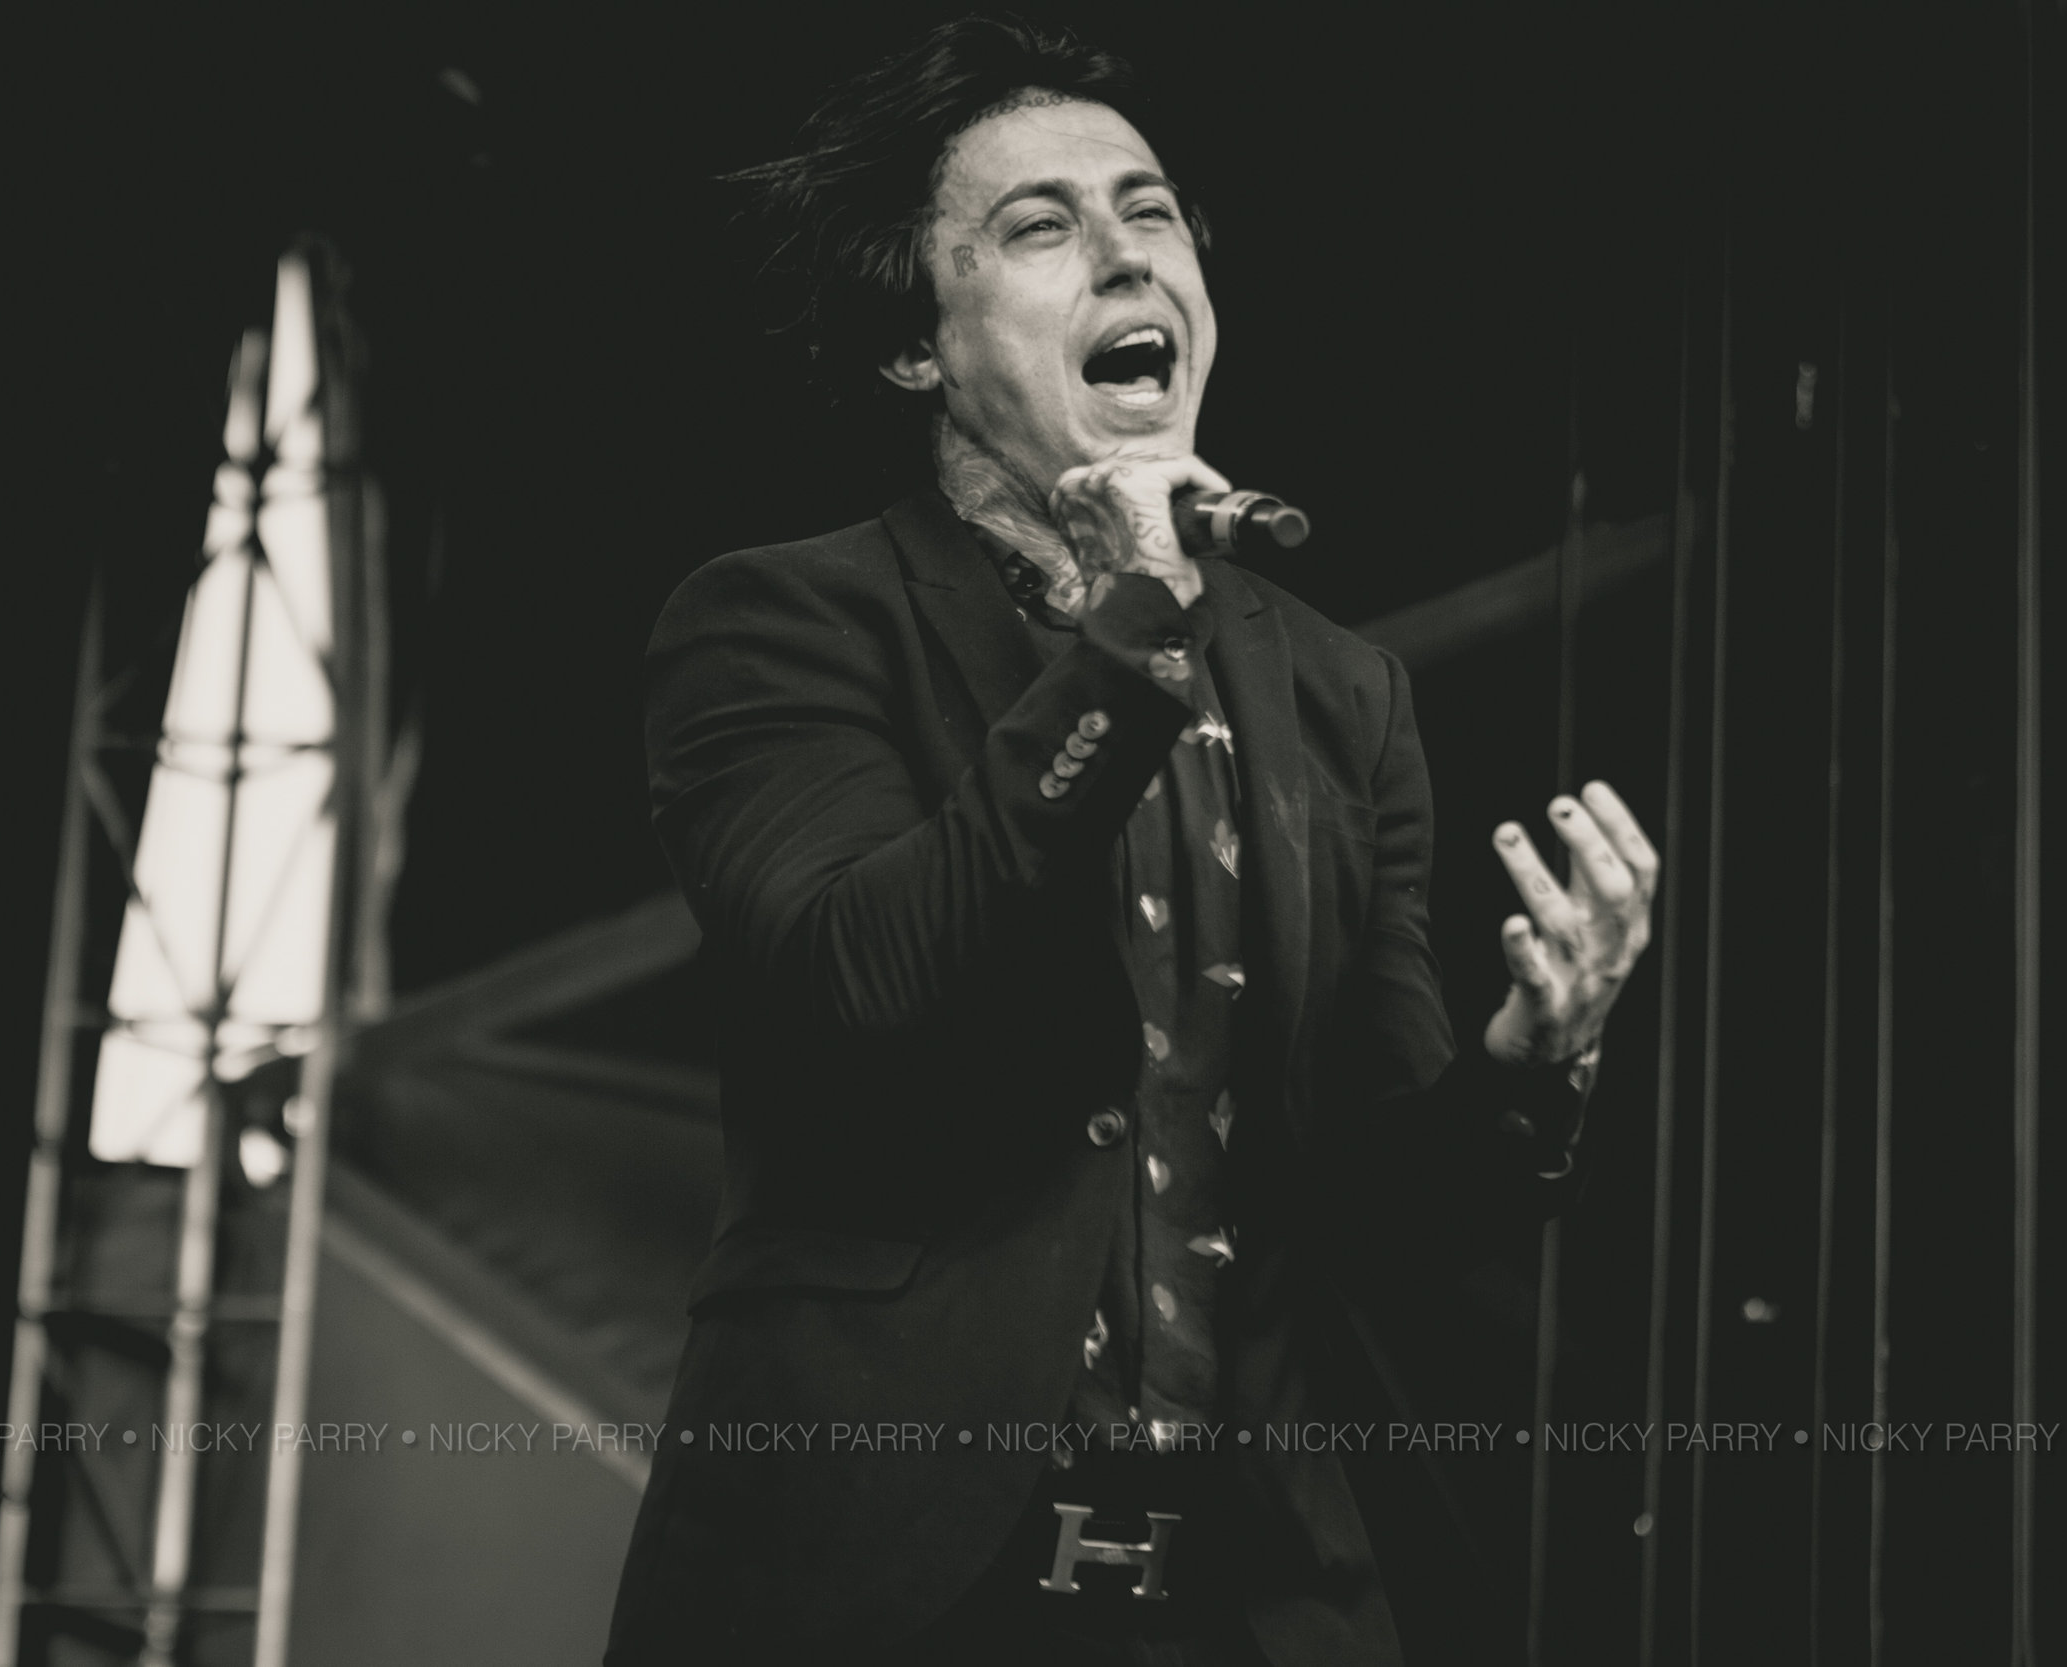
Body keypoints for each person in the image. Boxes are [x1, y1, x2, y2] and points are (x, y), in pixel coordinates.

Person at [606, 18, 1655, 1665]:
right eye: (1041, 227)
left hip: (1249, 1587)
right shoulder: (780, 624)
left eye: (1150, 211)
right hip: (885, 1574)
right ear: (918, 347)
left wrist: (1536, 1064)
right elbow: (864, 975)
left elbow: (1374, 1208)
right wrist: (1133, 625)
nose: (1124, 255)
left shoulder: (1342, 693)